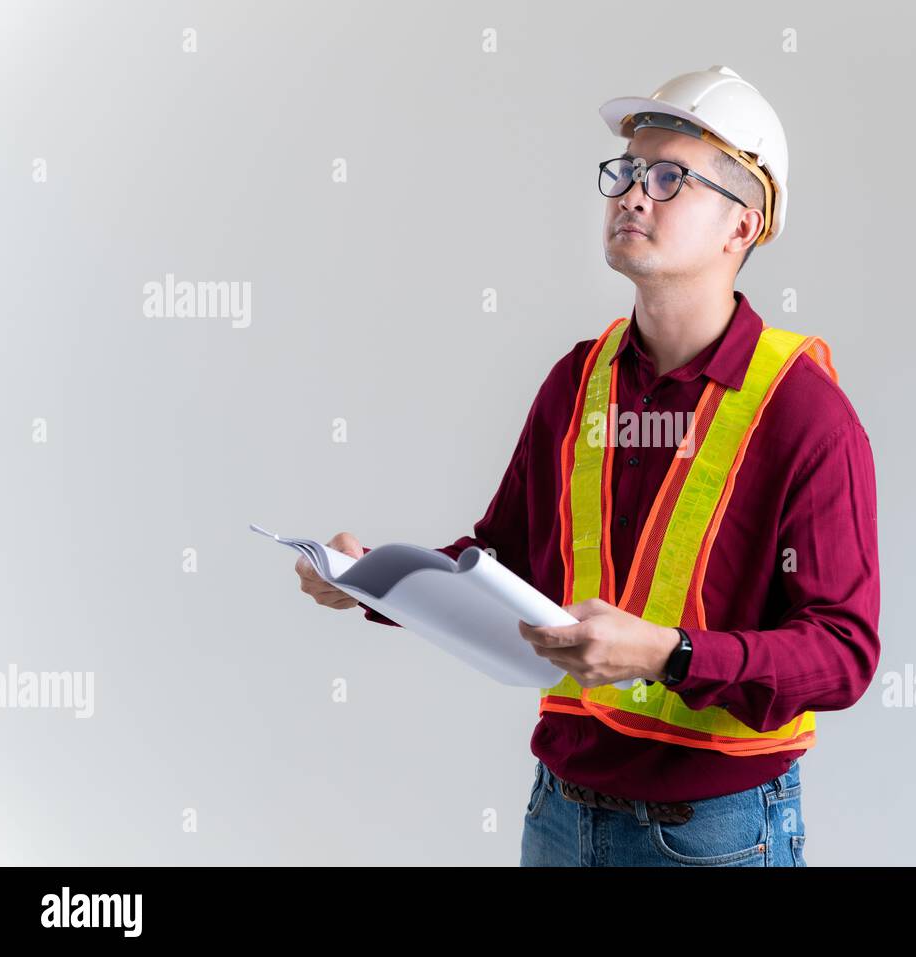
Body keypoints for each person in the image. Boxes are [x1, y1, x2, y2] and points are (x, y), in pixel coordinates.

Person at [294, 66, 881, 867]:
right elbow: (503, 562)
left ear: (740, 228)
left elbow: (842, 651)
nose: (634, 194)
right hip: (560, 816)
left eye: (670, 177)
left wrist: (669, 654)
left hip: (715, 834)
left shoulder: (802, 411)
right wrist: (377, 582)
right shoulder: (579, 380)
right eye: (628, 172)